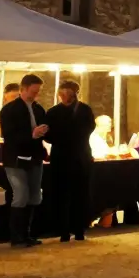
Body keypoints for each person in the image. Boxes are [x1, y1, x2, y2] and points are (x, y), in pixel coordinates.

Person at [44, 81, 95, 242]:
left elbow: (87, 130)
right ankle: (64, 231)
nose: (64, 98)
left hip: (78, 156)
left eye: (68, 94)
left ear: (74, 94)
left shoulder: (84, 110)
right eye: (62, 95)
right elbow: (47, 134)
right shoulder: (53, 112)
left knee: (79, 194)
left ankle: (78, 229)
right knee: (62, 194)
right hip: (64, 157)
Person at [1, 75, 49, 247]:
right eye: (34, 90)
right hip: (15, 159)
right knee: (20, 194)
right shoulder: (9, 110)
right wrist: (32, 134)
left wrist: (45, 131)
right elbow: (9, 136)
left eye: (38, 91)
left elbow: (44, 130)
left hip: (35, 157)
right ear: (24, 88)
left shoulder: (38, 109)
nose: (36, 94)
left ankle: (27, 235)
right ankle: (16, 237)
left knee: (35, 195)